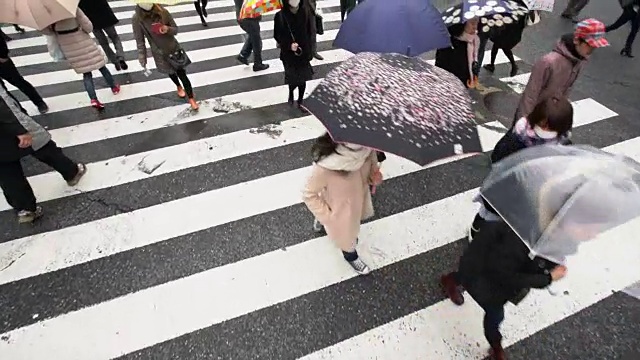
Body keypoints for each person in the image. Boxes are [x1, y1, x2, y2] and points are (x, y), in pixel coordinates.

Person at [441, 96, 575, 309]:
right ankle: (457, 279)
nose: (544, 129)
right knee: (483, 248)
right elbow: (497, 160)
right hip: (504, 202)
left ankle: (478, 277)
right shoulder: (518, 137)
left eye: (550, 127)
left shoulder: (563, 145)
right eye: (541, 124)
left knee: (504, 253)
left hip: (529, 209)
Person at [0, 80, 86, 224]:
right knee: (43, 146)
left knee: (7, 172)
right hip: (9, 122)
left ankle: (25, 208)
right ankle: (72, 172)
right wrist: (19, 129)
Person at [303, 133, 382, 275]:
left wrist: (375, 178)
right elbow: (308, 194)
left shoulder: (368, 151)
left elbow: (371, 174)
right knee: (347, 238)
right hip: (341, 211)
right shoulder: (326, 165)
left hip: (355, 201)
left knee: (340, 219)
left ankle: (321, 221)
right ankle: (351, 256)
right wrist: (329, 217)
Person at [513, 19, 608, 124]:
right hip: (532, 117)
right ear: (577, 40)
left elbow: (566, 90)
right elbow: (530, 94)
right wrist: (523, 122)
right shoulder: (548, 62)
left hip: (549, 118)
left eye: (595, 47)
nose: (591, 50)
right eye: (589, 45)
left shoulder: (579, 60)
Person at [42, 9, 121, 110]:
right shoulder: (73, 8)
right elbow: (88, 27)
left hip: (68, 47)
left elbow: (47, 31)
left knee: (86, 74)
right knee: (101, 66)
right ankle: (114, 87)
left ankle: (93, 99)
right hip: (83, 41)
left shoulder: (49, 14)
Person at [133, 3, 199, 110]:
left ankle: (191, 98)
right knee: (171, 72)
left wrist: (167, 29)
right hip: (159, 53)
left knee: (182, 73)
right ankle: (178, 86)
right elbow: (140, 41)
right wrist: (142, 58)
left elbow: (175, 29)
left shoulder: (163, 12)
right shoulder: (137, 19)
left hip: (173, 48)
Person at [274, 0, 315, 111]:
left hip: (303, 53)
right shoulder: (280, 16)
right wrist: (289, 45)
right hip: (288, 55)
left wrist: (310, 51)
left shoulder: (306, 12)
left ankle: (300, 101)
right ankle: (291, 93)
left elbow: (310, 32)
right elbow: (277, 35)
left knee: (303, 79)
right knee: (292, 79)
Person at [0, 35, 48, 113]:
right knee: (3, 92)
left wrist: (3, 56)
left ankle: (39, 102)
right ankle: (18, 110)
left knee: (19, 82)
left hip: (2, 63)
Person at [78, 0, 128, 71]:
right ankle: (120, 57)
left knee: (103, 43)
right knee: (115, 38)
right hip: (105, 16)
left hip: (92, 21)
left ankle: (114, 61)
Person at [435, 18, 480, 89]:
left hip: (465, 83)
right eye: (472, 23)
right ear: (462, 25)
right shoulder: (448, 43)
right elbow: (441, 66)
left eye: (477, 22)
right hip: (450, 85)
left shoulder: (474, 41)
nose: (475, 26)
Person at [234, 0, 269, 71]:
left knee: (253, 37)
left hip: (244, 17)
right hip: (248, 17)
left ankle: (243, 55)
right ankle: (257, 63)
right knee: (256, 41)